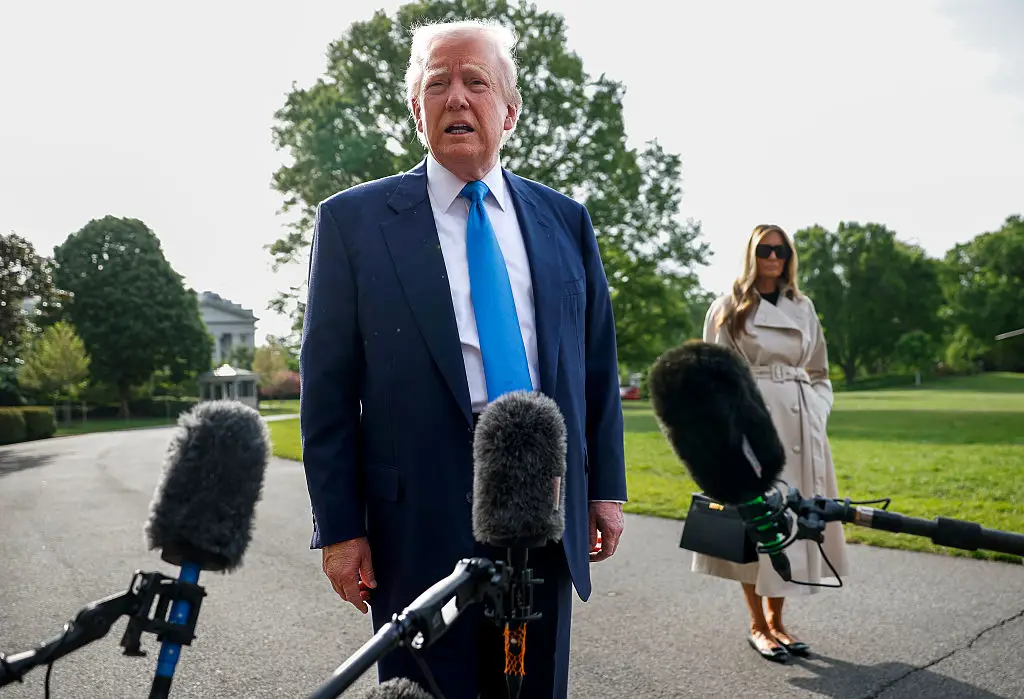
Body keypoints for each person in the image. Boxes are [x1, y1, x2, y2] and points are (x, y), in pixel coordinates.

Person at [298, 19, 627, 699]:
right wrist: (339, 528)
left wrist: (605, 489)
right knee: (429, 690)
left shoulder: (566, 220)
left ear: (508, 109)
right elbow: (327, 391)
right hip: (414, 517)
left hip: (545, 501)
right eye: (437, 83)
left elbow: (595, 360)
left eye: (476, 81)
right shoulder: (352, 223)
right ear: (415, 108)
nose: (456, 98)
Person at [693, 224, 849, 663]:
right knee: (755, 524)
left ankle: (779, 621)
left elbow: (820, 372)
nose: (774, 257)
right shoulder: (728, 307)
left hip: (801, 426)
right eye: (765, 249)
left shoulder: (804, 307)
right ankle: (757, 625)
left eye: (781, 250)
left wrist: (816, 412)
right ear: (752, 253)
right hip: (751, 427)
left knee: (794, 523)